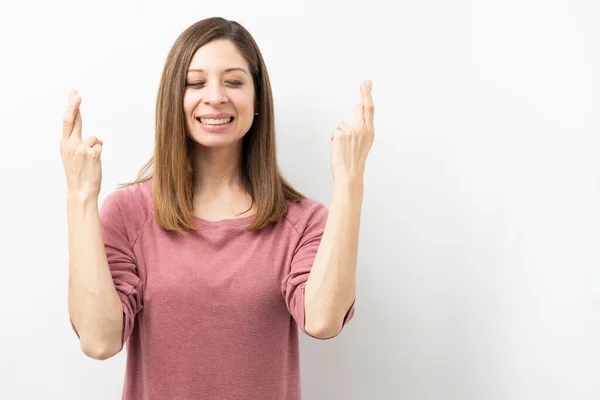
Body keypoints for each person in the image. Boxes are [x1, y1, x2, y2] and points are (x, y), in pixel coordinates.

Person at [61, 16, 374, 400]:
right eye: (196, 82)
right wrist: (80, 196)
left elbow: (324, 320)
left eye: (234, 81)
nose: (215, 96)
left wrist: (350, 182)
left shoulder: (302, 221)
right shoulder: (128, 214)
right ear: (174, 98)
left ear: (258, 99)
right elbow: (98, 341)